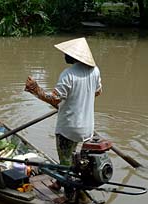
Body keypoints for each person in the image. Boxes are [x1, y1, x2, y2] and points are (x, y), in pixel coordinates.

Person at [25, 37, 102, 194]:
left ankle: (69, 196)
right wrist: (80, 101)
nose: (64, 55)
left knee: (65, 162)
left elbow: (55, 99)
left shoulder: (68, 74)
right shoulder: (95, 71)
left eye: (67, 53)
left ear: (74, 56)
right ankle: (58, 184)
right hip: (87, 128)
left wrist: (36, 90)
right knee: (78, 161)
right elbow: (98, 92)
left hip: (68, 128)